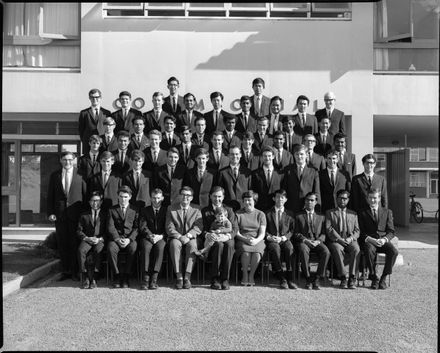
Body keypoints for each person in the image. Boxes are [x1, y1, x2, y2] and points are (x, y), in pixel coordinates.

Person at [47, 151, 86, 281]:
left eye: (70, 160)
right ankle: (66, 271)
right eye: (64, 160)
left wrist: (85, 215)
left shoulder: (81, 174)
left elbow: (85, 196)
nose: (67, 162)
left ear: (74, 160)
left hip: (76, 215)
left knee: (75, 243)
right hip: (60, 215)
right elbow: (50, 196)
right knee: (63, 244)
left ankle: (76, 271)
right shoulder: (55, 176)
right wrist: (51, 213)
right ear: (60, 160)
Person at [358, 189, 398, 290]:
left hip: (382, 241)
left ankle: (383, 278)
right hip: (370, 241)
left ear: (379, 198)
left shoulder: (387, 212)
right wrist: (370, 239)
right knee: (368, 249)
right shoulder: (362, 212)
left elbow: (391, 231)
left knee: (393, 252)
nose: (372, 200)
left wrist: (384, 239)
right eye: (370, 198)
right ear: (367, 198)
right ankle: (374, 278)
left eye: (375, 198)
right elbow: (360, 232)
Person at [200, 187, 238, 290]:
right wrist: (207, 234)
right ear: (210, 196)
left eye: (220, 196)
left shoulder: (229, 210)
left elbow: (234, 228)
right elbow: (201, 228)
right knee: (219, 245)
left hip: (227, 236)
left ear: (223, 197)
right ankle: (215, 279)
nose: (217, 199)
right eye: (215, 196)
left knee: (230, 245)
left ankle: (225, 279)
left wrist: (227, 236)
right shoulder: (205, 211)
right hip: (213, 239)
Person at [166, 186, 203, 289]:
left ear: (191, 197)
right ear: (179, 196)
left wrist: (188, 236)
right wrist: (179, 236)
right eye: (183, 194)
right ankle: (179, 277)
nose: (185, 197)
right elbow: (169, 226)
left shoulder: (197, 209)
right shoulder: (171, 208)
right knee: (174, 244)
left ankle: (187, 277)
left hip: (190, 237)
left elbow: (199, 226)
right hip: (176, 237)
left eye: (188, 195)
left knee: (192, 245)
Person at [293, 192, 330, 290]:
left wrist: (318, 241)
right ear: (304, 201)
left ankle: (317, 278)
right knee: (303, 250)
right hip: (304, 241)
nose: (309, 202)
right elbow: (295, 233)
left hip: (317, 241)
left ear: (316, 202)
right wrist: (305, 240)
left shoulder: (321, 216)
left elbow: (324, 233)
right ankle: (308, 278)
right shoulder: (298, 216)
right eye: (307, 200)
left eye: (312, 200)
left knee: (326, 252)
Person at [325, 190, 360, 289]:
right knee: (337, 249)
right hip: (336, 240)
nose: (342, 200)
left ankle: (352, 278)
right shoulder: (330, 213)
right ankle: (343, 277)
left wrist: (351, 238)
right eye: (340, 198)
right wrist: (339, 239)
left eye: (345, 198)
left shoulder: (353, 214)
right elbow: (329, 228)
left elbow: (357, 230)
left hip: (350, 240)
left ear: (348, 200)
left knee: (356, 249)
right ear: (336, 199)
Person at [107, 185, 139, 288]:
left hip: (129, 239)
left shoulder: (135, 210)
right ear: (118, 197)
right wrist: (117, 238)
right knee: (111, 248)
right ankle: (117, 276)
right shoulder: (112, 210)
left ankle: (126, 276)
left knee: (133, 248)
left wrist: (129, 239)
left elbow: (137, 227)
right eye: (121, 196)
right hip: (116, 239)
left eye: (125, 197)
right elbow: (110, 227)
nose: (123, 199)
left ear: (130, 197)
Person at [265, 189, 297, 289]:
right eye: (278, 197)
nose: (280, 199)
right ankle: (281, 277)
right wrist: (270, 237)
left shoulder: (290, 214)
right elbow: (263, 229)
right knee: (275, 249)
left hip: (284, 239)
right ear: (274, 198)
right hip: (272, 240)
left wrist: (284, 238)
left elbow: (292, 230)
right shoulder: (267, 213)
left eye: (282, 197)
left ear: (286, 199)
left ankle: (290, 276)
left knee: (289, 248)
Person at [235, 190, 266, 286]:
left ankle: (251, 275)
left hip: (257, 239)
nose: (247, 202)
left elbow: (262, 232)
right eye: (245, 200)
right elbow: (236, 232)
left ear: (254, 201)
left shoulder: (261, 214)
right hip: (242, 238)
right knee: (246, 252)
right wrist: (245, 239)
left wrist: (256, 240)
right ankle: (244, 275)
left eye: (249, 200)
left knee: (257, 253)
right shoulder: (238, 214)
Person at [138, 188, 167, 290]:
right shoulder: (144, 210)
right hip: (148, 237)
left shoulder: (166, 210)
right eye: (154, 198)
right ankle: (145, 278)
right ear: (150, 198)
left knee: (160, 248)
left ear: (162, 198)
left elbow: (168, 226)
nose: (156, 200)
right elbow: (143, 226)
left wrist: (161, 236)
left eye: (158, 198)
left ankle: (154, 278)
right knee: (146, 248)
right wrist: (150, 235)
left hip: (161, 237)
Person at [76, 191, 106, 289]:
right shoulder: (84, 215)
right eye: (92, 201)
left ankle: (94, 278)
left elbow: (109, 230)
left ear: (101, 202)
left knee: (98, 250)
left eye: (97, 201)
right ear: (89, 202)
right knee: (81, 250)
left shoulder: (105, 215)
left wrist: (100, 239)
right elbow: (79, 231)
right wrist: (86, 238)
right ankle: (85, 276)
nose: (95, 203)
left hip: (99, 239)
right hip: (87, 239)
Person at [284, 144, 320, 213]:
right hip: (291, 206)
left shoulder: (313, 170)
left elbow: (316, 191)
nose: (299, 156)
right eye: (297, 154)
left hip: (307, 206)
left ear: (306, 155)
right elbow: (285, 189)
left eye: (301, 154)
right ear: (294, 155)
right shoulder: (287, 169)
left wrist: (317, 207)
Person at [217, 145, 252, 211]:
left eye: (236, 154)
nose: (234, 156)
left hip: (244, 207)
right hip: (228, 207)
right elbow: (220, 192)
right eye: (232, 154)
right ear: (228, 156)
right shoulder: (222, 172)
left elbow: (250, 190)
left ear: (240, 155)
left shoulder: (247, 172)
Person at [78, 88, 111, 154]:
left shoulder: (107, 113)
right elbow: (81, 130)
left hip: (102, 144)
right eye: (92, 97)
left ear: (100, 97)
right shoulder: (84, 113)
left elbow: (109, 129)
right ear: (89, 98)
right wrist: (86, 140)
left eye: (97, 97)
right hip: (88, 145)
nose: (94, 99)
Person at [252, 146, 284, 211]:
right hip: (260, 207)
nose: (267, 158)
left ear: (273, 156)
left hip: (275, 207)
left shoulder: (280, 173)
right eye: (265, 156)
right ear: (261, 157)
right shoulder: (255, 174)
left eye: (269, 156)